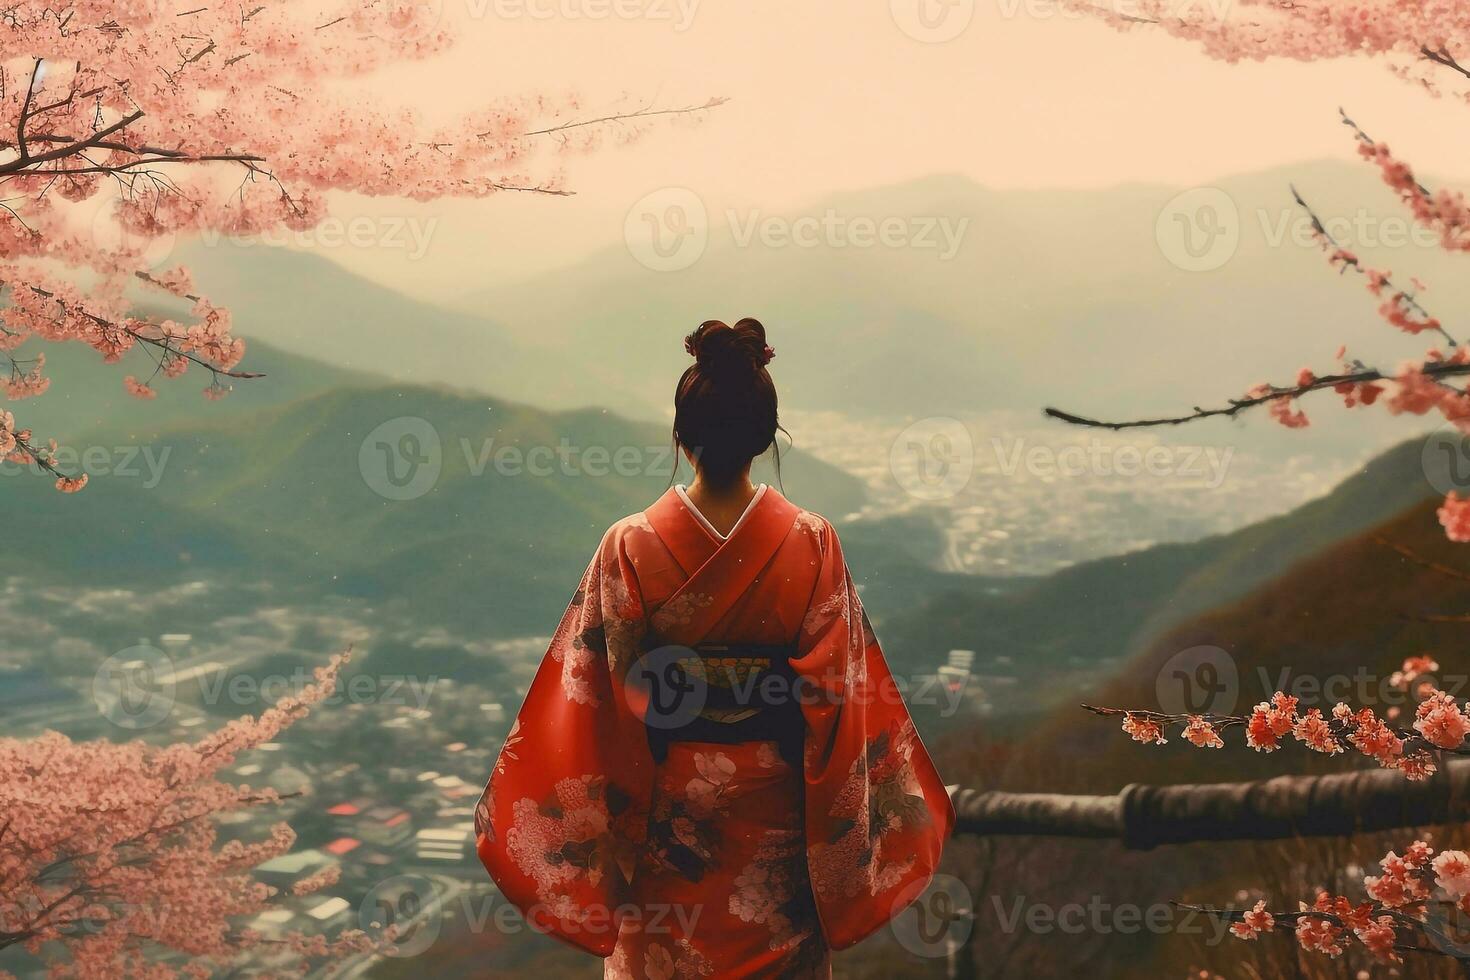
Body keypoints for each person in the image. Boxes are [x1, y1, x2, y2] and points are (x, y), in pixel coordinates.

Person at [475, 318, 954, 978]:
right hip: (777, 859)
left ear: (683, 434)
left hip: (665, 844)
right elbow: (841, 707)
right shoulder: (812, 543)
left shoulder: (630, 546)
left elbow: (592, 706)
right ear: (764, 435)